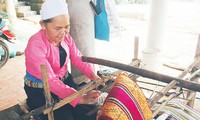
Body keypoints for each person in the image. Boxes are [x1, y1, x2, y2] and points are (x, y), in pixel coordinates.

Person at [23, 0, 101, 119]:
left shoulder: (66, 38)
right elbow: (50, 81)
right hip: (41, 90)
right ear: (43, 25)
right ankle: (32, 103)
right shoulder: (35, 45)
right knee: (65, 117)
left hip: (65, 81)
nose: (63, 33)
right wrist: (80, 98)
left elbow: (77, 57)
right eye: (57, 28)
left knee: (85, 114)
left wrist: (92, 75)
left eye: (67, 27)